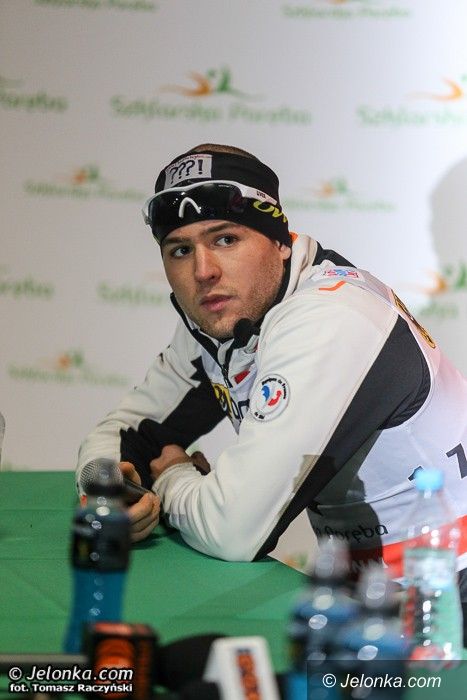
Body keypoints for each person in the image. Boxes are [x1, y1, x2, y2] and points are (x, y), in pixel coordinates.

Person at [77, 143, 467, 608]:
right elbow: (123, 433)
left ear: (281, 242)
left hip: (447, 588)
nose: (204, 271)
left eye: (225, 239)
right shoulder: (225, 316)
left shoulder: (332, 317)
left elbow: (232, 530)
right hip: (376, 589)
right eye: (180, 250)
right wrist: (109, 489)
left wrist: (171, 478)